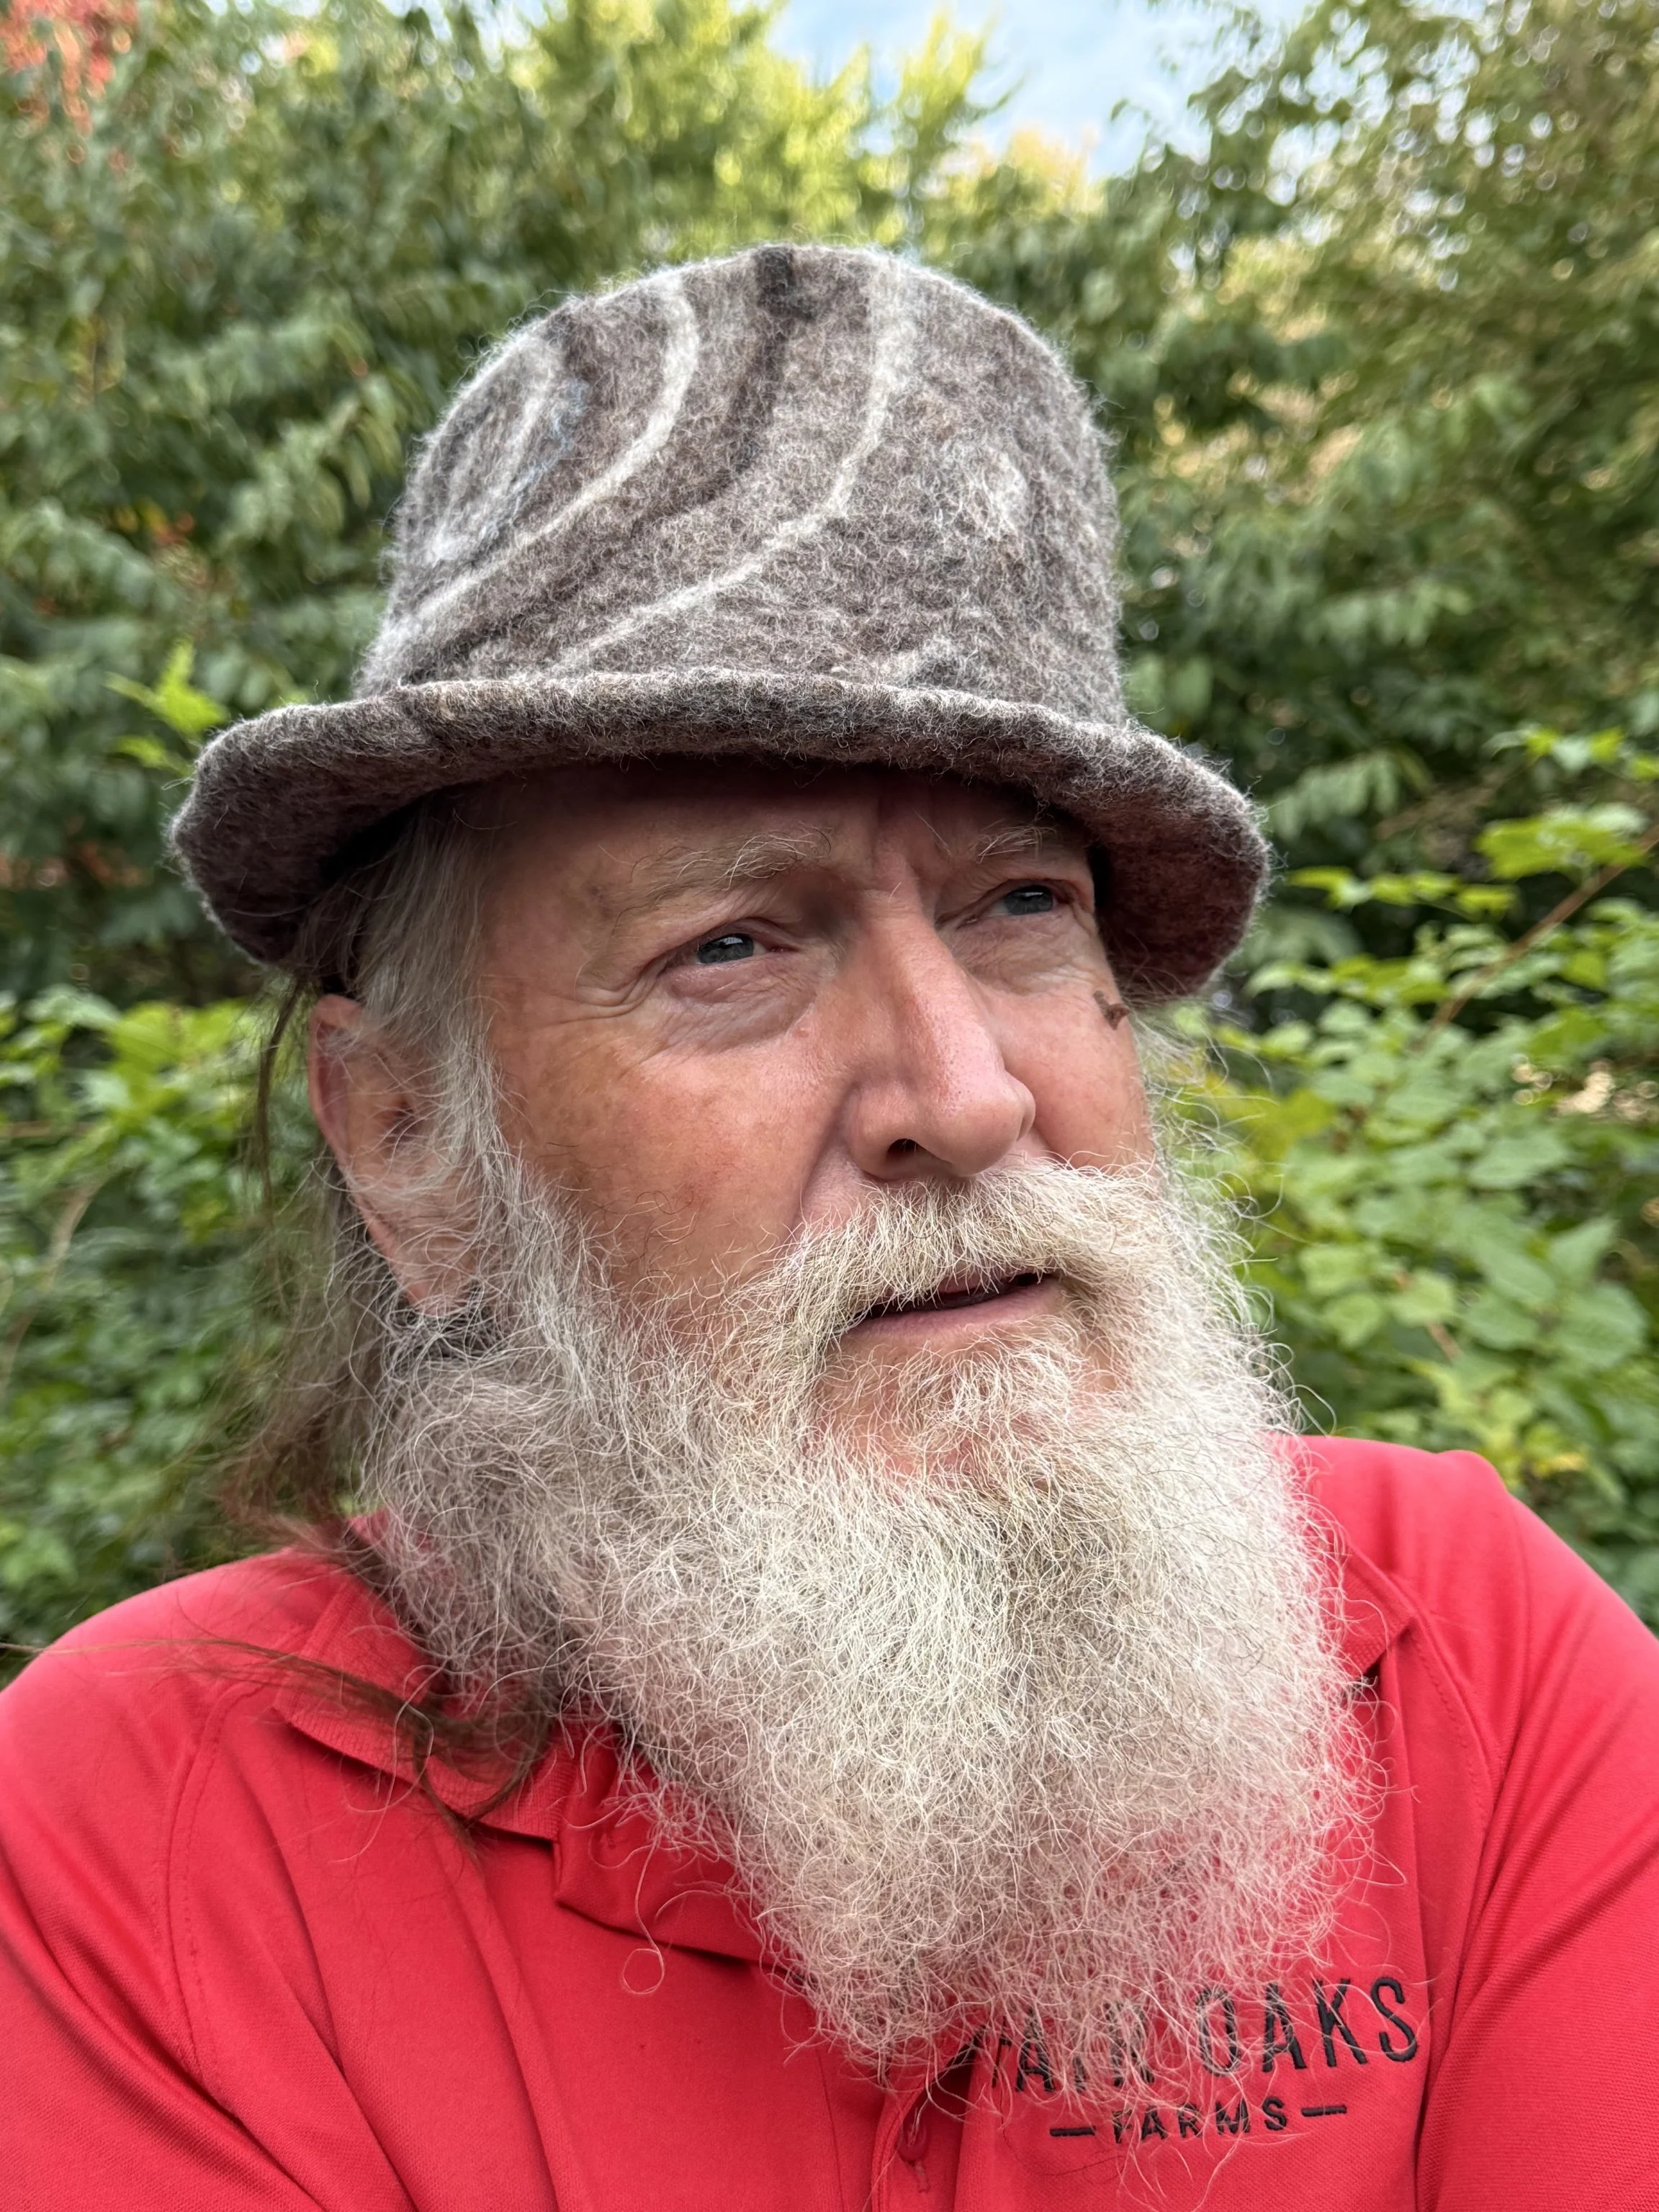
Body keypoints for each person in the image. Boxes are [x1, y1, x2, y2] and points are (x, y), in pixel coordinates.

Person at [1, 244, 1655, 2212]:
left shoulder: (1463, 1653)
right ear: (411, 1144)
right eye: (729, 947)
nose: (966, 1095)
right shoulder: (145, 1832)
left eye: (1020, 906)